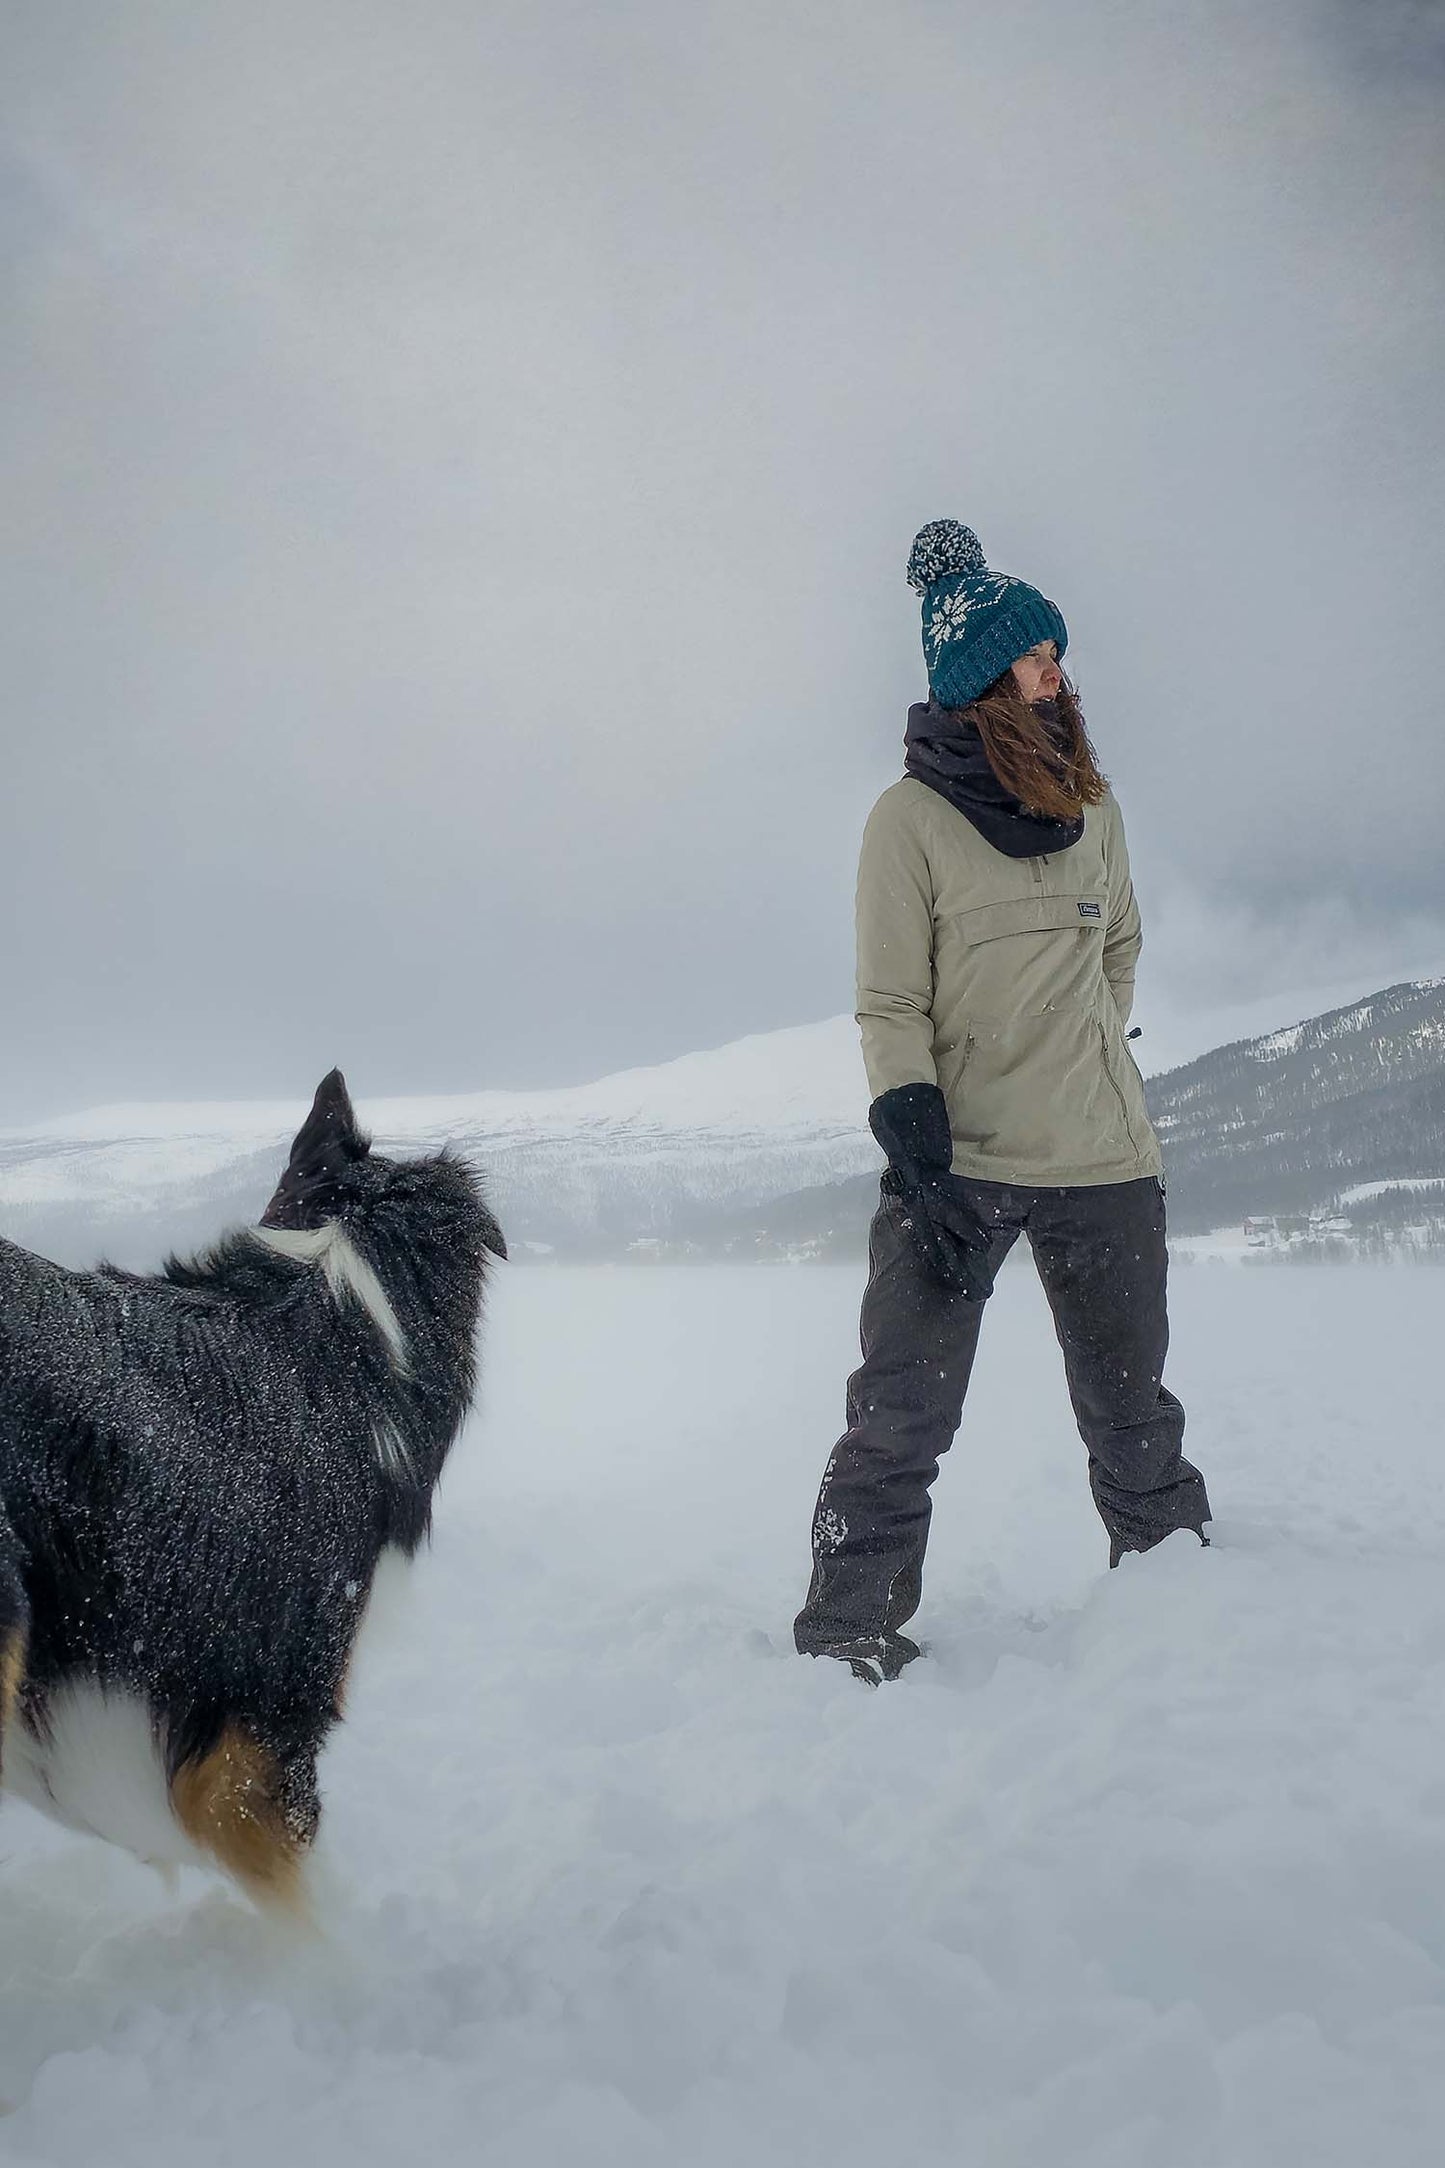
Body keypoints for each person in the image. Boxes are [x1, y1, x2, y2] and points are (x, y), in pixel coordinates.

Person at [794, 519, 1211, 1684]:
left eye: (1055, 655)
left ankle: (1188, 1613)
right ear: (984, 677)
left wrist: (1082, 1049)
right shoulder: (907, 821)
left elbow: (1116, 946)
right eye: (1035, 657)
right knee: (898, 1417)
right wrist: (914, 1135)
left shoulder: (1095, 807)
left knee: (1132, 1416)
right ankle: (844, 1630)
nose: (1056, 675)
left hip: (1101, 1158)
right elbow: (889, 1000)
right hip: (957, 1169)